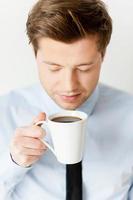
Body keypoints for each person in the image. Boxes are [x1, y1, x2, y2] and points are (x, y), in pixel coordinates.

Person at [0, 0, 133, 199]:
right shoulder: (5, 113)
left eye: (84, 68)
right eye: (54, 68)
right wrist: (13, 163)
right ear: (35, 55)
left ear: (102, 56)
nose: (69, 86)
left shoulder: (129, 113)